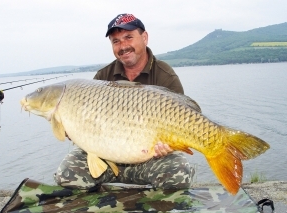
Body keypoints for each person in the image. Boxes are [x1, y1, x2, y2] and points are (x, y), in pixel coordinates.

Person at [54, 13, 195, 191]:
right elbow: (87, 128)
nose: (123, 46)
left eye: (128, 37)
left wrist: (167, 147)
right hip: (107, 158)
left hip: (150, 160)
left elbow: (181, 127)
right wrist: (73, 128)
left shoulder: (165, 76)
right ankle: (105, 206)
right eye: (116, 41)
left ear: (144, 38)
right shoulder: (102, 77)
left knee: (179, 174)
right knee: (67, 174)